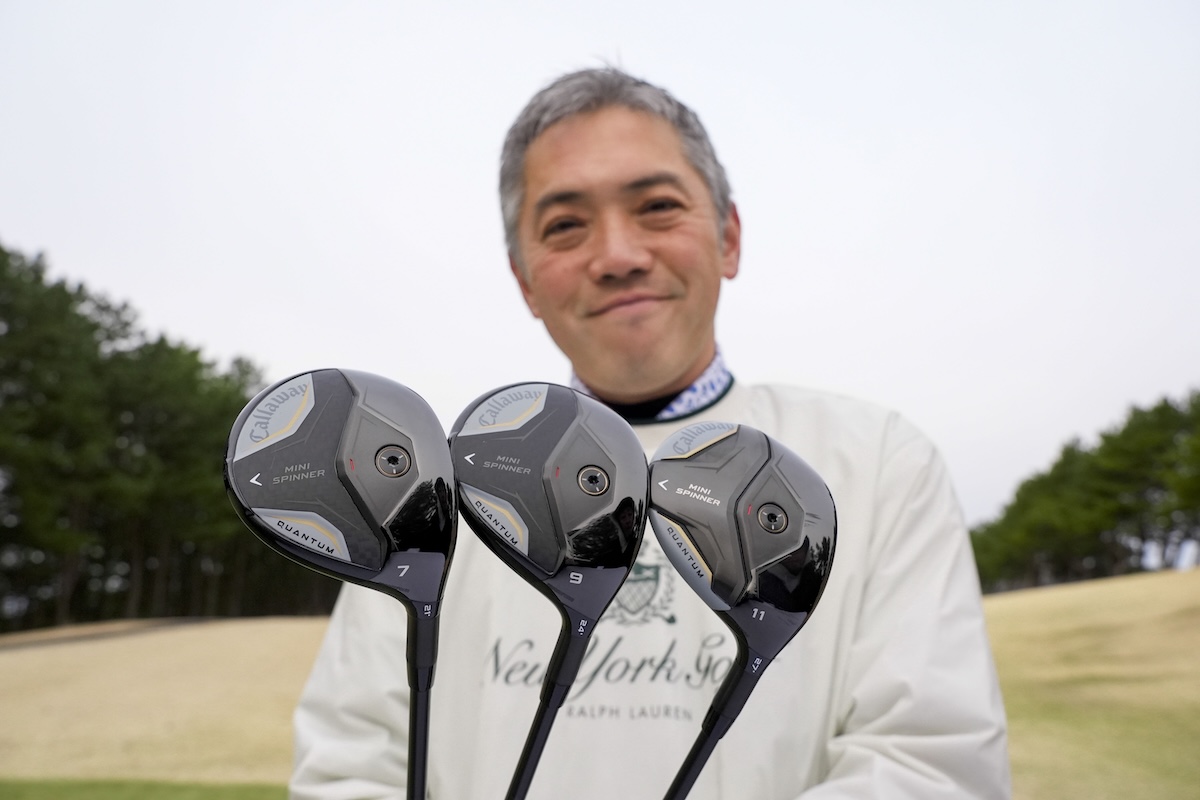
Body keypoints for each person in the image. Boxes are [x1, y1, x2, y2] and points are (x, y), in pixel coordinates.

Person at [291, 67, 1010, 799]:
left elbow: (931, 766)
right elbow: (350, 766)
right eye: (565, 226)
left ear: (729, 238)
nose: (617, 256)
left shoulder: (879, 462)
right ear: (526, 281)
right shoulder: (422, 484)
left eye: (658, 208)